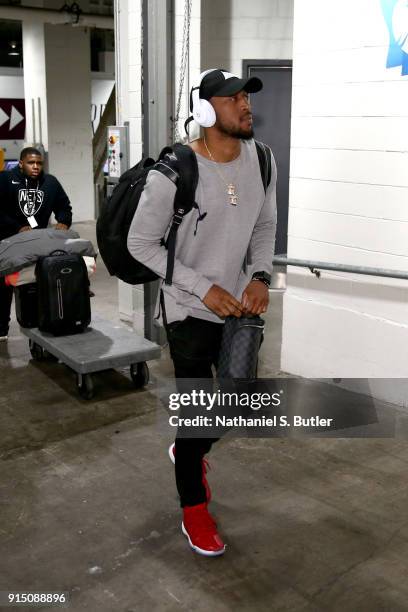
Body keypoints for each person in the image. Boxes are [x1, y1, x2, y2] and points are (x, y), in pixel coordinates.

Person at [128, 69, 277, 556]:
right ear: (208, 111)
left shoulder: (264, 160)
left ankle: (189, 449)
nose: (245, 106)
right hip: (189, 309)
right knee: (195, 417)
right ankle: (194, 508)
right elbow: (140, 244)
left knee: (236, 405)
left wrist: (260, 276)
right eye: (234, 99)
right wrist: (202, 287)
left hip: (239, 307)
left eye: (246, 98)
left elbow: (264, 225)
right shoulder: (175, 170)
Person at [0, 147, 72, 340]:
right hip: (8, 242)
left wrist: (64, 221)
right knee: (5, 285)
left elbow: (64, 206)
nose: (36, 167)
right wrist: (17, 227)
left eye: (39, 163)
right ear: (21, 163)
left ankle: (41, 321)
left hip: (38, 242)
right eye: (31, 163)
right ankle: (1, 328)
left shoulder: (50, 183)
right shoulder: (5, 179)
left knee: (39, 281)